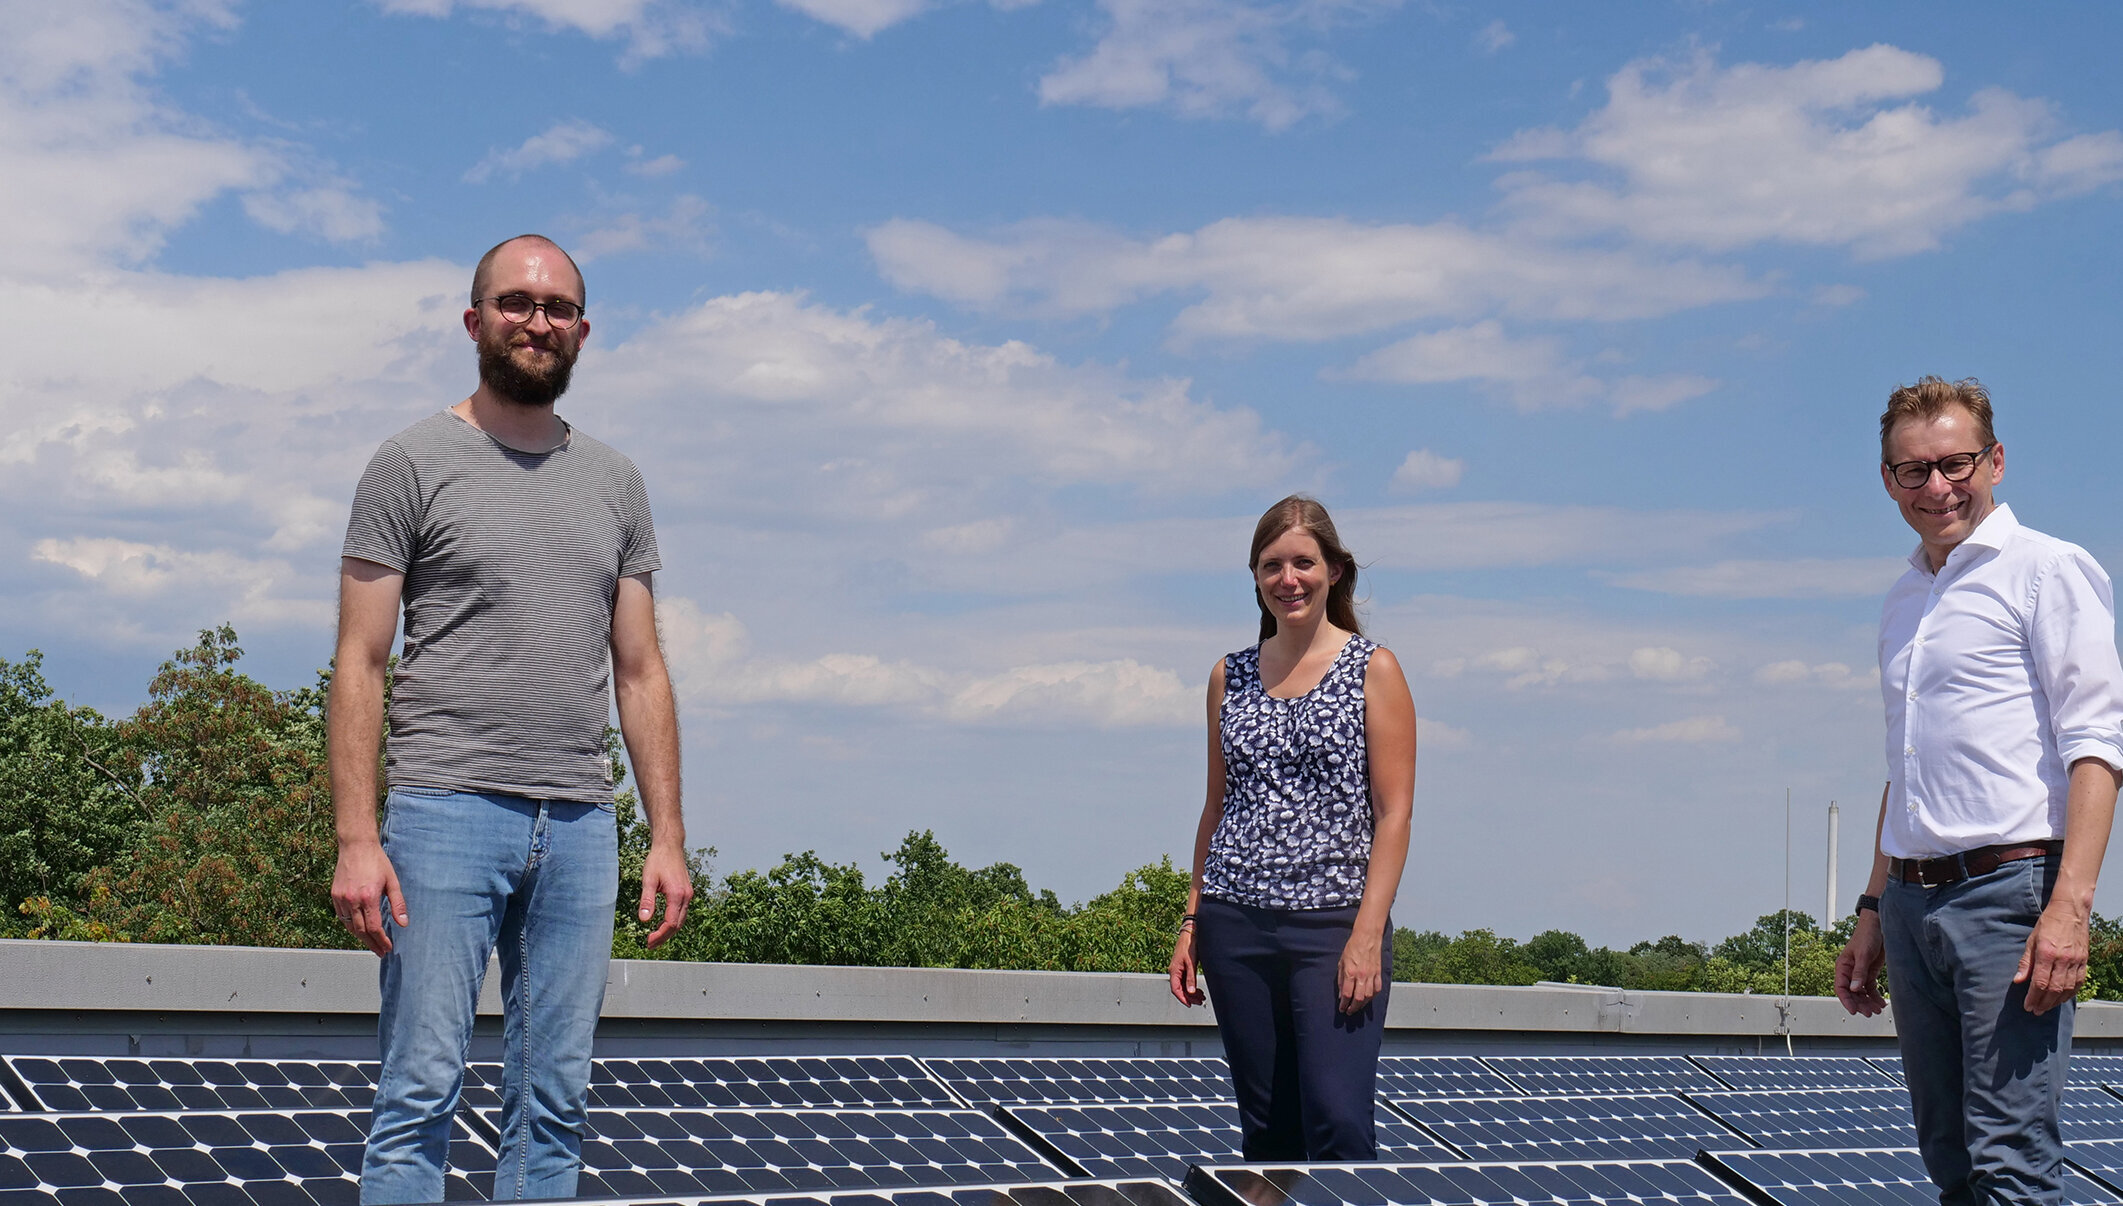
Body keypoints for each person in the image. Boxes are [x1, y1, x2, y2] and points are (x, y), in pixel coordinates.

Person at [328, 234, 696, 1204]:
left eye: (558, 308)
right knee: (417, 1101)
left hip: (578, 825)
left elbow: (641, 668)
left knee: (554, 1108)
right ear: (475, 320)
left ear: (582, 329)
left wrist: (666, 836)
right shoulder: (410, 461)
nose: (539, 322)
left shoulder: (614, 482)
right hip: (443, 813)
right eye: (517, 303)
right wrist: (357, 837)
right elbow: (361, 660)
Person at [1835, 376, 2123, 1205]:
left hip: (2009, 895)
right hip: (1910, 906)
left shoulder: (2047, 570)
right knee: (1949, 1157)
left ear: (1994, 461)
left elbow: (2096, 747)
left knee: (2009, 1159)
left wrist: (2069, 908)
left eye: (1954, 464)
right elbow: (1909, 766)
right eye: (1910, 471)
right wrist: (1870, 907)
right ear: (1887, 480)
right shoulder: (1903, 599)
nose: (1935, 488)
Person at [1167, 494, 1417, 1161]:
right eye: (1271, 565)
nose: (1288, 579)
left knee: (1336, 1121)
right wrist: (1192, 919)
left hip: (1332, 927)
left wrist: (1366, 935)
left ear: (1334, 570)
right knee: (1268, 1131)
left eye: (1303, 563)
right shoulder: (1231, 675)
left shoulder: (1374, 668)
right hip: (1235, 925)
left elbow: (1394, 813)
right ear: (1254, 577)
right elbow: (1216, 805)